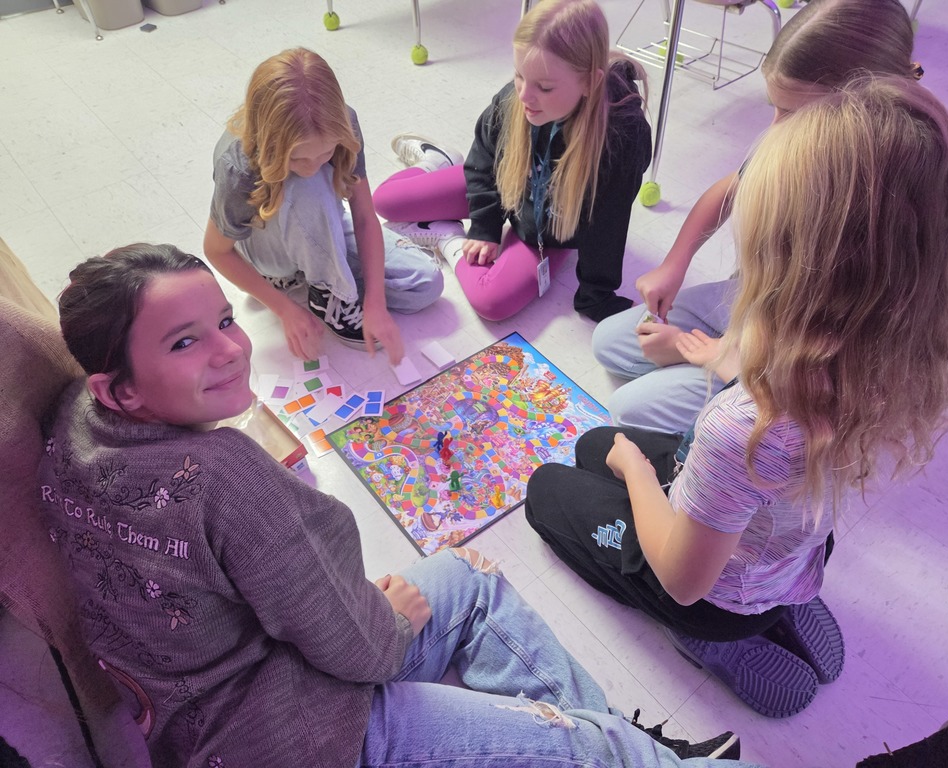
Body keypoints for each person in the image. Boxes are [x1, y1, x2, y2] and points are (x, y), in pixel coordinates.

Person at [39, 243, 748, 767]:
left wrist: (361, 614)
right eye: (185, 342)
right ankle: (627, 752)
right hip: (300, 739)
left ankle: (630, 746)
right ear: (118, 389)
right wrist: (388, 621)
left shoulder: (74, 422)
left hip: (211, 719)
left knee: (468, 581)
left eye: (225, 319)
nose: (229, 350)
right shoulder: (226, 475)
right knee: (589, 750)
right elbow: (364, 650)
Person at [525, 76, 948, 717]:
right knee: (595, 443)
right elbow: (770, 384)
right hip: (788, 549)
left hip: (710, 597)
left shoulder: (739, 428)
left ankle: (714, 640)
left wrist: (637, 472)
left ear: (782, 263)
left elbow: (683, 578)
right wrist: (705, 355)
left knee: (548, 488)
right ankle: (786, 596)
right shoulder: (889, 355)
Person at [591, 0, 925, 433]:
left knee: (630, 409)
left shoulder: (878, 204)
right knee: (609, 343)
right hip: (756, 302)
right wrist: (675, 264)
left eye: (794, 114)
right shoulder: (799, 140)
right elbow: (731, 188)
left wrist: (713, 354)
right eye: (775, 106)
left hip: (800, 352)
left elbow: (818, 342)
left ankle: (725, 380)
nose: (775, 128)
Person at [372, 0, 652, 323]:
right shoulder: (518, 96)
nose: (524, 96)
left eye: (544, 87)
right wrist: (485, 227)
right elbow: (484, 159)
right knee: (385, 200)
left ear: (589, 83)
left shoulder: (621, 137)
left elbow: (608, 223)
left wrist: (596, 296)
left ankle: (446, 236)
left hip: (551, 226)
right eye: (519, 75)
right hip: (505, 182)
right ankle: (439, 159)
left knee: (491, 301)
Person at [203, 48, 442, 364]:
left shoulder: (343, 122)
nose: (311, 166)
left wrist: (375, 303)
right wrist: (283, 309)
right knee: (310, 186)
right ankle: (323, 289)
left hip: (318, 221)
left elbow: (364, 216)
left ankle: (317, 277)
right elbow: (216, 250)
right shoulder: (237, 165)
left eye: (326, 153)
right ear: (269, 140)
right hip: (266, 249)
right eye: (297, 158)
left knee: (425, 284)